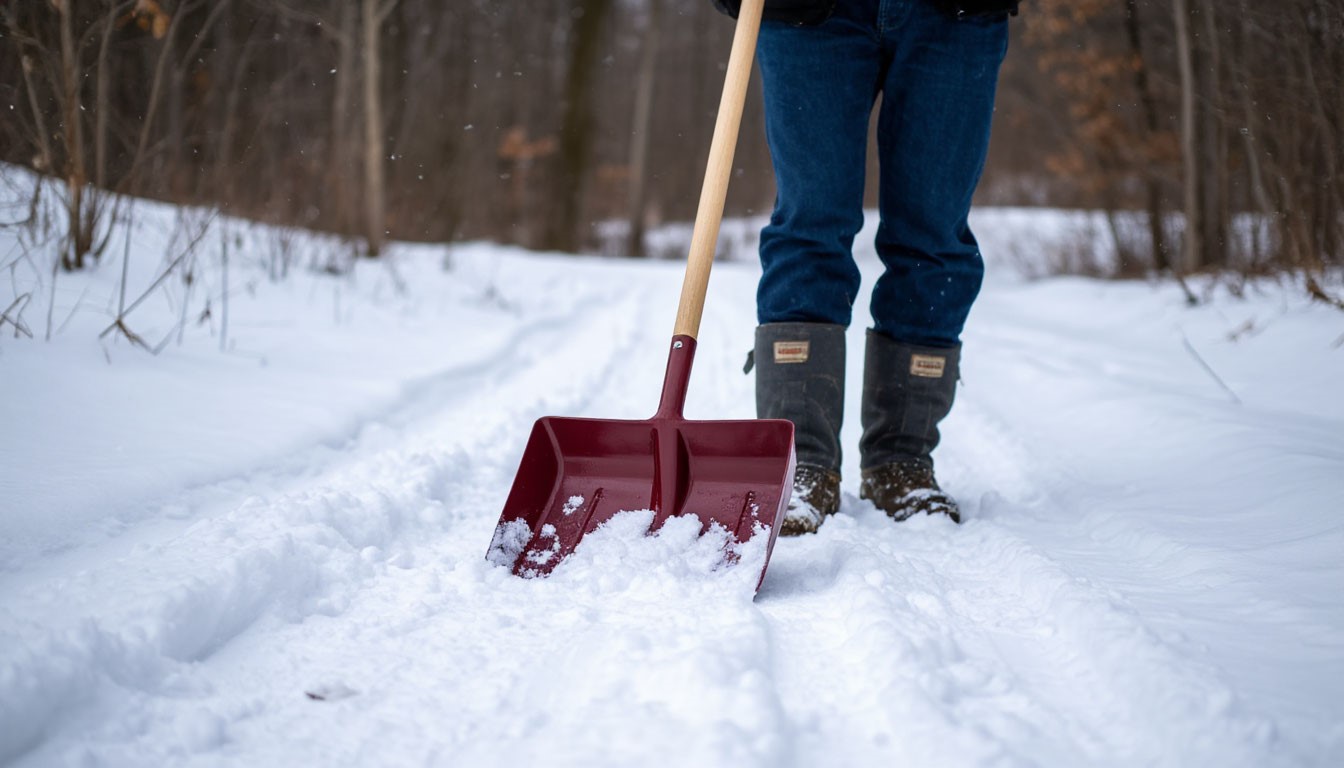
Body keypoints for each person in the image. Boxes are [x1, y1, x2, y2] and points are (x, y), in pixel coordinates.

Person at [717, 0, 1016, 534]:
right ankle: (802, 462)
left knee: (934, 232)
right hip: (807, 11)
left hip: (956, 15)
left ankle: (899, 462)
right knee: (809, 223)